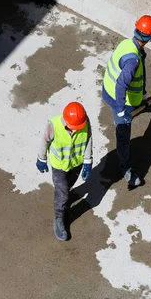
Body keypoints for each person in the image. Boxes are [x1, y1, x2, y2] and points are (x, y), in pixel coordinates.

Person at [102, 15, 151, 187]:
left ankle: (139, 104)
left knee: (137, 107)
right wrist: (120, 110)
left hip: (109, 91)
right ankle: (126, 169)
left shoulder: (127, 44)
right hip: (121, 102)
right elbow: (121, 85)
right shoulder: (133, 60)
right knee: (123, 136)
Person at [36, 102, 93, 241]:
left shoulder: (84, 121)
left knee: (68, 186)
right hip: (59, 166)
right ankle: (59, 219)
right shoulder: (53, 125)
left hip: (75, 163)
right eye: (73, 128)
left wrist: (87, 161)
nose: (75, 130)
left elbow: (88, 139)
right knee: (62, 194)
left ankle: (66, 205)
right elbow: (44, 141)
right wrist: (41, 159)